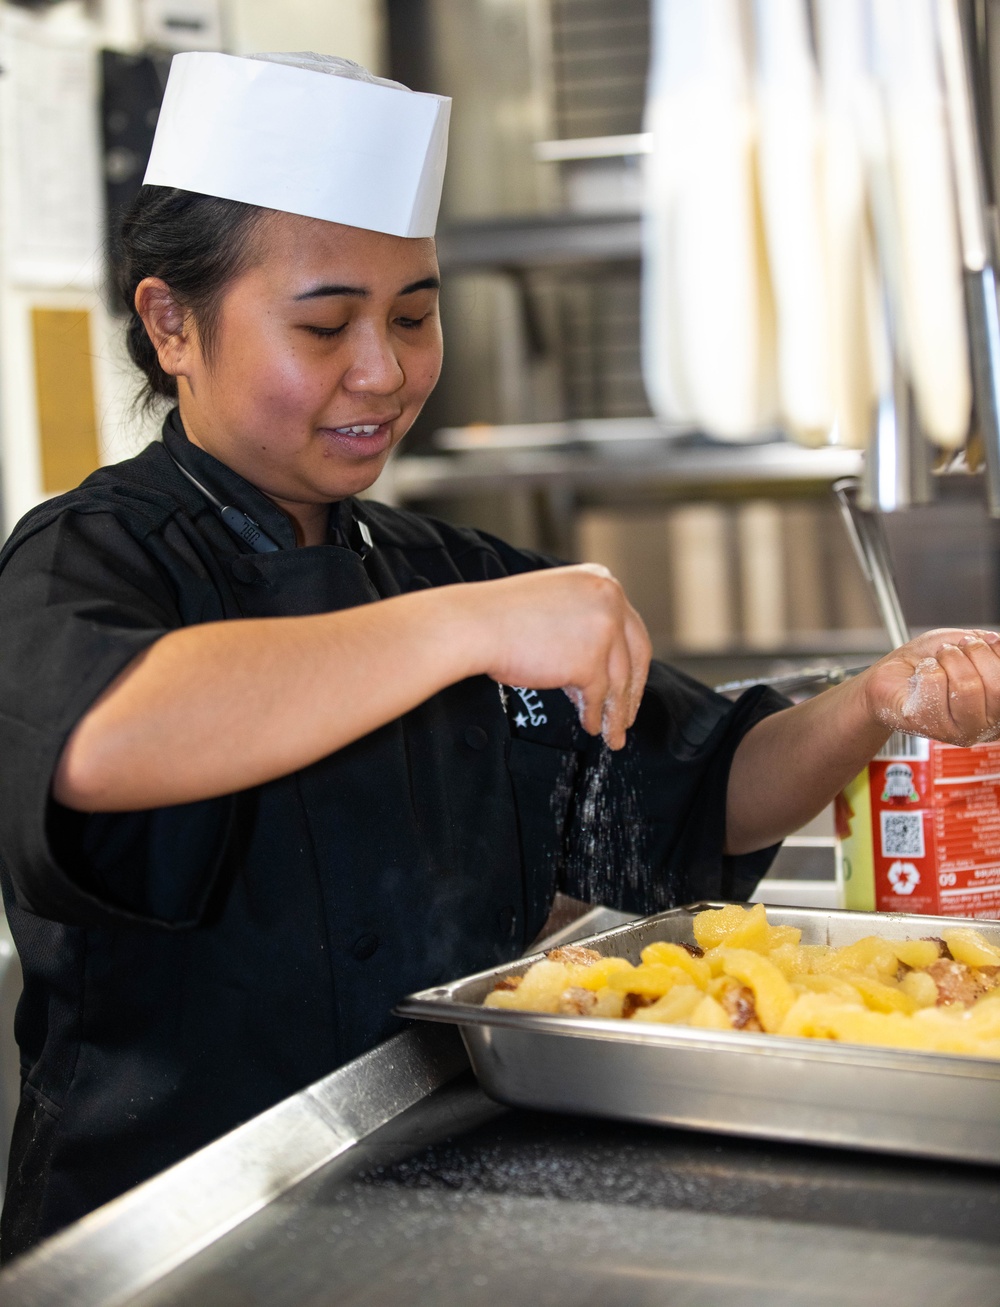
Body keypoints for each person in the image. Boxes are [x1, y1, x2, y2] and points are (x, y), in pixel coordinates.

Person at [1, 51, 999, 1260]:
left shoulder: (438, 564)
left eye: (414, 316)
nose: (384, 369)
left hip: (444, 1181)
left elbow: (699, 791)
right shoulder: (88, 557)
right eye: (324, 325)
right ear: (173, 323)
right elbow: (104, 740)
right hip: (168, 1227)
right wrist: (472, 626)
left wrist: (871, 700)